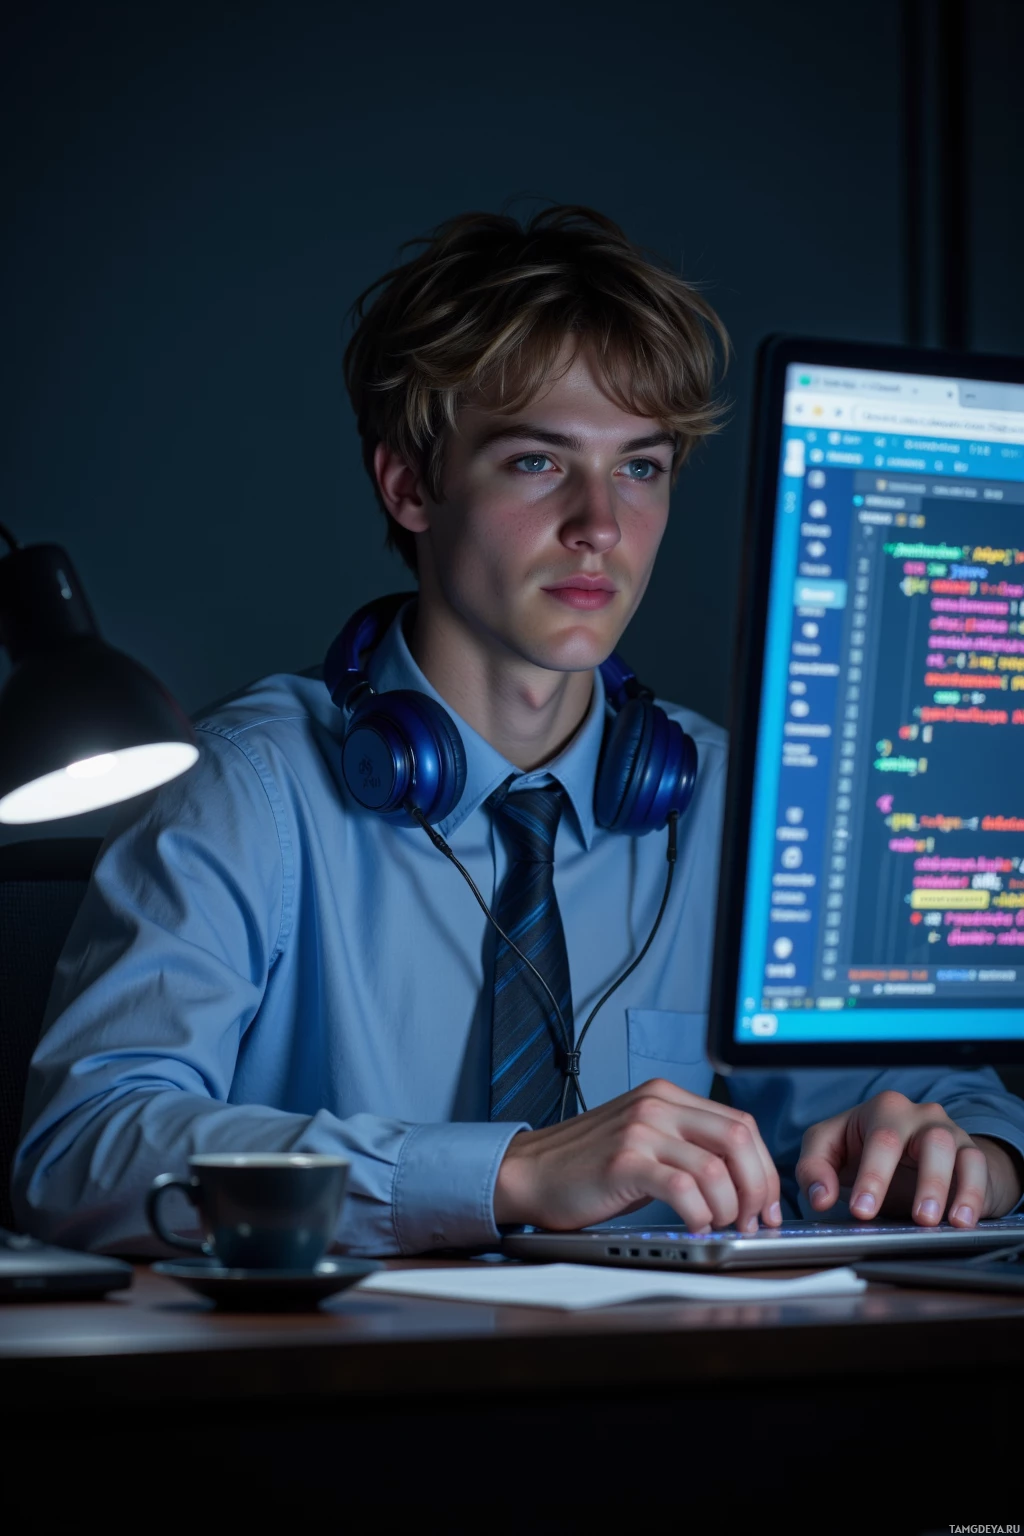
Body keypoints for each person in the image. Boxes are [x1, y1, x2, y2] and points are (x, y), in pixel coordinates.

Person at [13, 206, 1024, 1255]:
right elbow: (80, 1150)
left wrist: (971, 1164)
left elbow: (961, 1104)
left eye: (640, 467)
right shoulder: (248, 787)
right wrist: (506, 1171)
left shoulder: (739, 804)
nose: (600, 524)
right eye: (539, 462)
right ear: (410, 485)